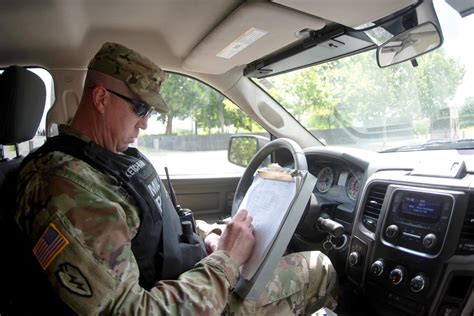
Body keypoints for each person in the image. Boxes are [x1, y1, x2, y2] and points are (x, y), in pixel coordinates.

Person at [16, 42, 337, 315]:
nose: (144, 124)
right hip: (196, 301)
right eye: (140, 108)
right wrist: (226, 261)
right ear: (100, 99)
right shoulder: (67, 187)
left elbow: (157, 225)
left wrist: (211, 236)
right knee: (318, 268)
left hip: (195, 279)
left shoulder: (107, 158)